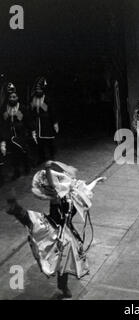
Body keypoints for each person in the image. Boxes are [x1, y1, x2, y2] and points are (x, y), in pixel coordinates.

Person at [5, 161, 106, 298]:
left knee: (63, 259)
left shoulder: (75, 195)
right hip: (52, 226)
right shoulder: (57, 196)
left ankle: (63, 287)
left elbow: (88, 188)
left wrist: (97, 180)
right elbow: (52, 183)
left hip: (65, 232)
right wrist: (47, 168)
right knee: (34, 221)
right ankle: (15, 208)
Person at [0, 83, 32, 179]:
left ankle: (27, 167)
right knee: (14, 155)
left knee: (24, 152)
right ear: (8, 98)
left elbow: (28, 121)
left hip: (21, 134)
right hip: (10, 136)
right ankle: (16, 171)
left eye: (14, 97)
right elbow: (2, 124)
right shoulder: (4, 109)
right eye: (10, 97)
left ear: (17, 97)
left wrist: (31, 131)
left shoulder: (22, 108)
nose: (12, 99)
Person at [29, 76, 59, 164]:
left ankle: (52, 155)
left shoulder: (47, 99)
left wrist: (55, 123)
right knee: (39, 142)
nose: (38, 92)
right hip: (37, 123)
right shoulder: (33, 99)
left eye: (40, 90)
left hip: (47, 123)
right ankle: (41, 157)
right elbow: (31, 112)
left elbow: (52, 111)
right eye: (37, 90)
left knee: (49, 140)